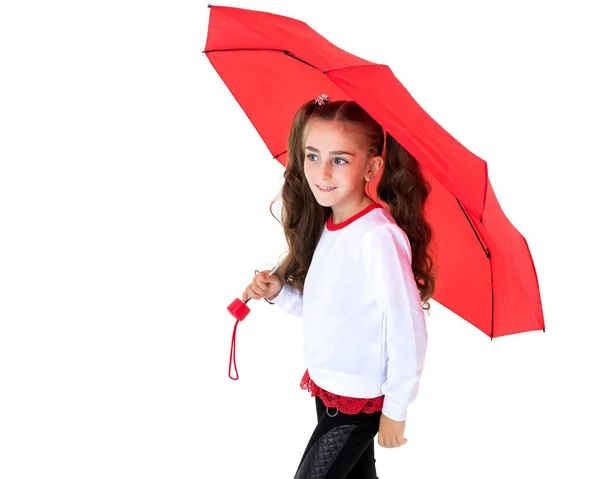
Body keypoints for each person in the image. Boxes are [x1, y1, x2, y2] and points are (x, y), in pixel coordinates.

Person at [242, 94, 436, 479]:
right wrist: (279, 292)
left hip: (359, 398)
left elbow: (406, 326)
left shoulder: (377, 237)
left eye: (340, 160)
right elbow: (329, 306)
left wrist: (396, 409)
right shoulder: (331, 226)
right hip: (329, 388)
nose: (322, 172)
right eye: (312, 156)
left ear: (372, 167)